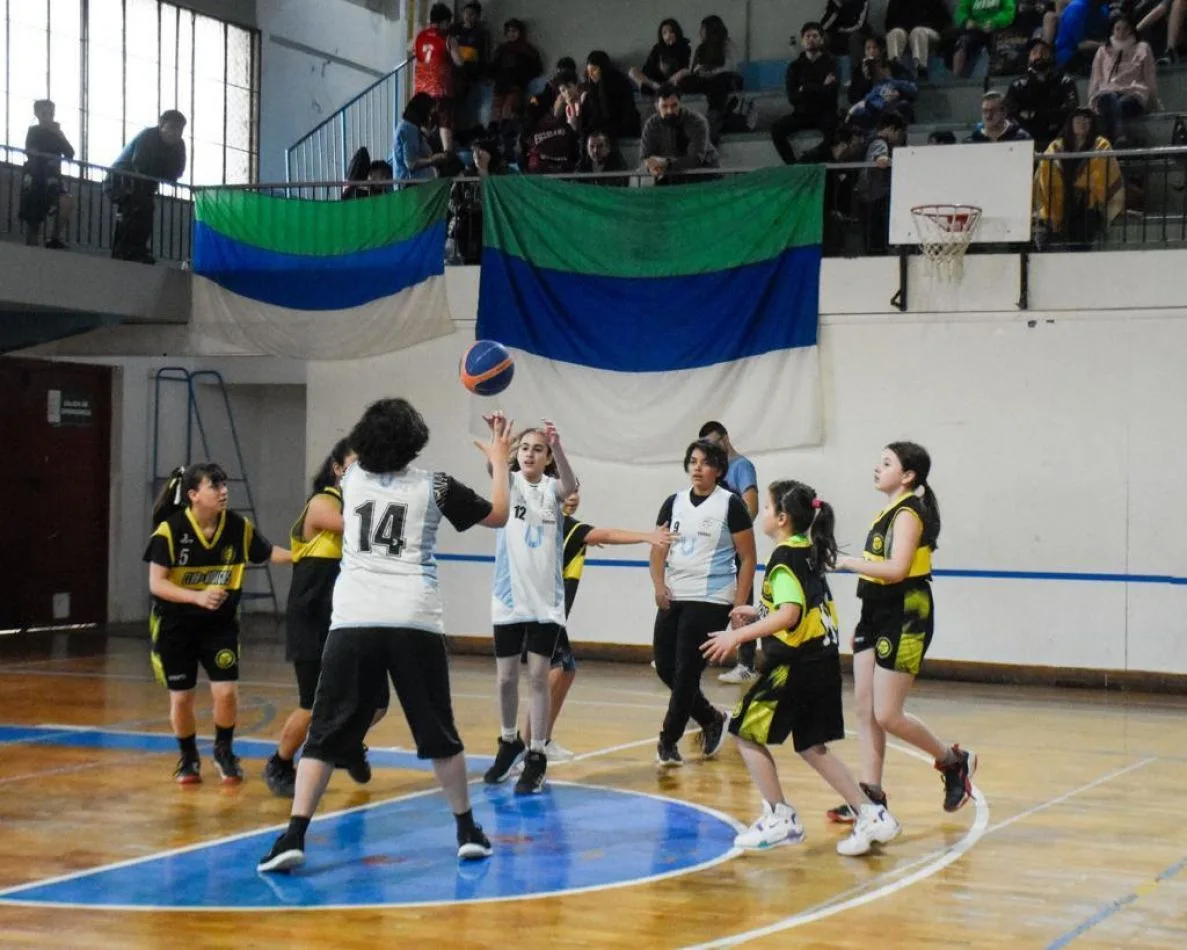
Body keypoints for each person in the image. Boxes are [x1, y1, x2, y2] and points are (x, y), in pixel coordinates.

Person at [257, 402, 515, 872]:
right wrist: (499, 460)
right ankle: (465, 830)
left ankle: (293, 835)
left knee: (324, 734)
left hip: (354, 619)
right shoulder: (434, 485)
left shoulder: (349, 481)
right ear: (415, 442)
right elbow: (498, 514)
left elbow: (355, 457)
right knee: (439, 733)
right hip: (413, 619)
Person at [702, 480, 901, 856]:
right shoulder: (807, 550)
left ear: (780, 518)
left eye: (765, 509)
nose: (761, 514)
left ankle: (781, 817)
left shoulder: (783, 558)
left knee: (743, 731)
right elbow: (797, 608)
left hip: (794, 664)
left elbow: (790, 614)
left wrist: (737, 638)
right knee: (811, 746)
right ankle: (871, 814)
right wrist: (760, 612)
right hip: (821, 662)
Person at [825, 442, 977, 824]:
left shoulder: (910, 513)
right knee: (864, 709)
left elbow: (896, 569)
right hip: (875, 613)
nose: (878, 468)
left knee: (887, 714)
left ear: (908, 475)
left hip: (906, 614)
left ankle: (953, 761)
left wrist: (845, 562)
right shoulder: (888, 511)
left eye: (887, 463)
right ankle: (870, 796)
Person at [145, 463, 291, 785]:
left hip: (219, 626)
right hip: (176, 627)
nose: (224, 491)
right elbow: (157, 584)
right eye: (215, 486)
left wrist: (304, 556)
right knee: (182, 698)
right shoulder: (171, 530)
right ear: (194, 495)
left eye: (225, 485)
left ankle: (223, 751)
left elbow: (267, 553)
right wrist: (196, 597)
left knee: (225, 693)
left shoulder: (238, 526)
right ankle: (188, 757)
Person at [520, 489, 678, 760]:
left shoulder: (562, 527)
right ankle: (525, 746)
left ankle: (542, 740)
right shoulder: (562, 525)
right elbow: (605, 534)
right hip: (538, 613)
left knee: (566, 670)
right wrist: (646, 536)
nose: (571, 497)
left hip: (552, 615)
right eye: (564, 492)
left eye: (575, 492)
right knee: (555, 671)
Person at [264, 440, 378, 798]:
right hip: (312, 619)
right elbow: (363, 529)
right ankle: (280, 762)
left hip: (346, 617)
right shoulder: (323, 503)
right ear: (338, 468)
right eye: (356, 465)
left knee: (375, 701)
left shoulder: (355, 503)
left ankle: (347, 743)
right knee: (313, 703)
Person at [482, 423, 579, 794]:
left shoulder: (553, 491)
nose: (530, 454)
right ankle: (509, 743)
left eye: (538, 449)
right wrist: (499, 442)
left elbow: (569, 485)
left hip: (545, 602)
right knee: (506, 677)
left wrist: (560, 446)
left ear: (547, 456)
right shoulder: (508, 485)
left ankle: (536, 754)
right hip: (508, 597)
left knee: (539, 677)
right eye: (525, 448)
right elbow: (495, 468)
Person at [651, 439, 756, 767]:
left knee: (686, 672)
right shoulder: (674, 502)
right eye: (692, 461)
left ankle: (668, 741)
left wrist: (739, 606)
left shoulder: (731, 504)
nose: (697, 467)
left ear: (719, 470)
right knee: (665, 666)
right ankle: (711, 718)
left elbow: (748, 557)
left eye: (705, 462)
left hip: (712, 598)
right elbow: (657, 547)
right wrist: (658, 584)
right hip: (675, 595)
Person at [698, 421, 760, 685]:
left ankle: (746, 664)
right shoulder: (717, 472)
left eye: (713, 444)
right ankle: (692, 655)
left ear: (724, 439)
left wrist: (734, 535)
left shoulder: (741, 467)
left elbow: (752, 507)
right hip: (716, 549)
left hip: (736, 548)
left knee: (742, 600)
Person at [106, 110, 187, 264]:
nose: (175, 133)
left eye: (180, 130)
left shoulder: (179, 145)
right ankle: (125, 250)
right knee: (135, 208)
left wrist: (162, 173)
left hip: (144, 185)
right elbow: (140, 164)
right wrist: (162, 172)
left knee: (146, 209)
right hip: (120, 181)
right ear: (161, 125)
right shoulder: (148, 137)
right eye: (172, 128)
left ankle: (137, 249)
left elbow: (177, 171)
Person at [20, 99, 75, 249]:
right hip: (37, 176)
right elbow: (30, 151)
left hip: (53, 178)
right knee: (34, 214)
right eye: (44, 114)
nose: (48, 117)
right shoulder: (34, 131)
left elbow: (70, 154)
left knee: (66, 202)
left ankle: (54, 238)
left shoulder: (57, 133)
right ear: (37, 114)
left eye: (51, 114)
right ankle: (32, 243)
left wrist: (59, 135)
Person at [412, 3, 464, 153]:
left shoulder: (420, 36)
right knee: (444, 124)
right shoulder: (448, 39)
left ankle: (420, 153)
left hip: (421, 89)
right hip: (441, 89)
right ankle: (447, 155)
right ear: (444, 22)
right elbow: (459, 62)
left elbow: (411, 49)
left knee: (424, 123)